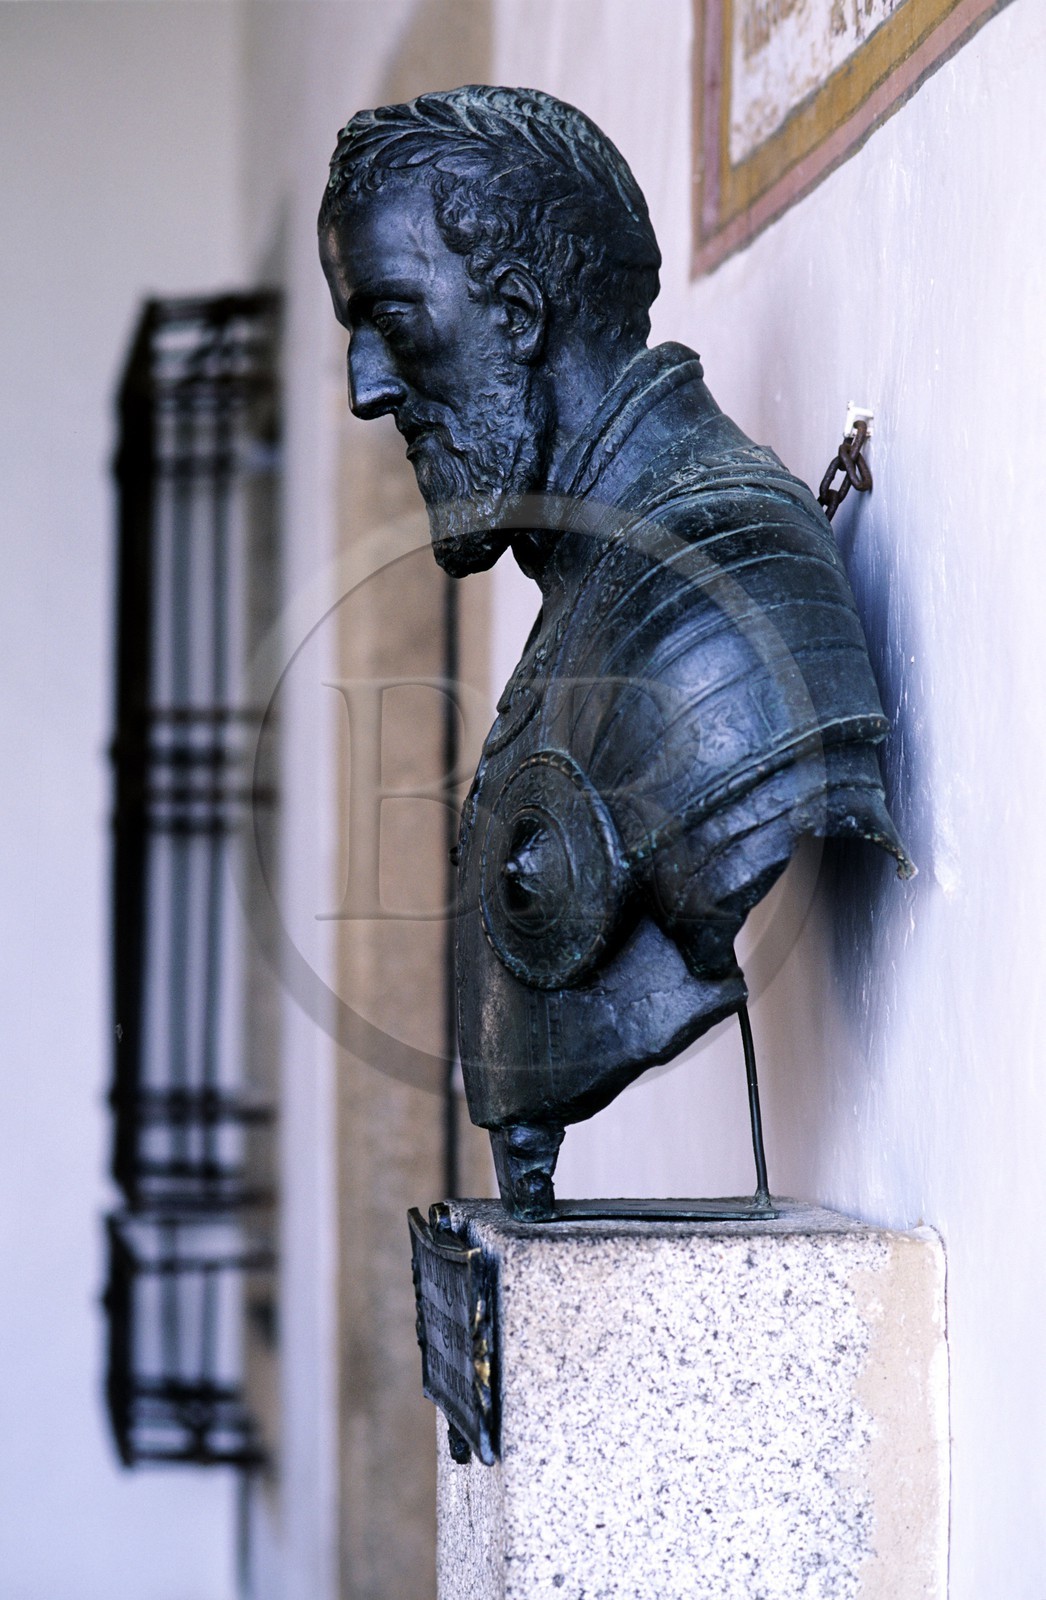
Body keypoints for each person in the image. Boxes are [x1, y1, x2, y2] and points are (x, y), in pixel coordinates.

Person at [319, 85, 911, 1219]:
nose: (366, 389)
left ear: (519, 311)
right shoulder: (596, 581)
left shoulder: (715, 586)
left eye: (390, 316)